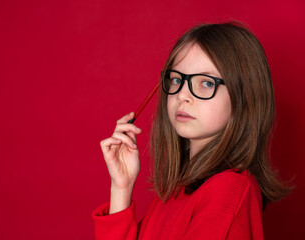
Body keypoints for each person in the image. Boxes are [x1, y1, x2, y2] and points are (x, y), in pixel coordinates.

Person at [92, 22, 291, 239]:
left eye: (206, 83)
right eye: (177, 79)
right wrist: (122, 187)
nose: (182, 95)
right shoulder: (177, 190)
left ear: (244, 98)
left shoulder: (227, 190)